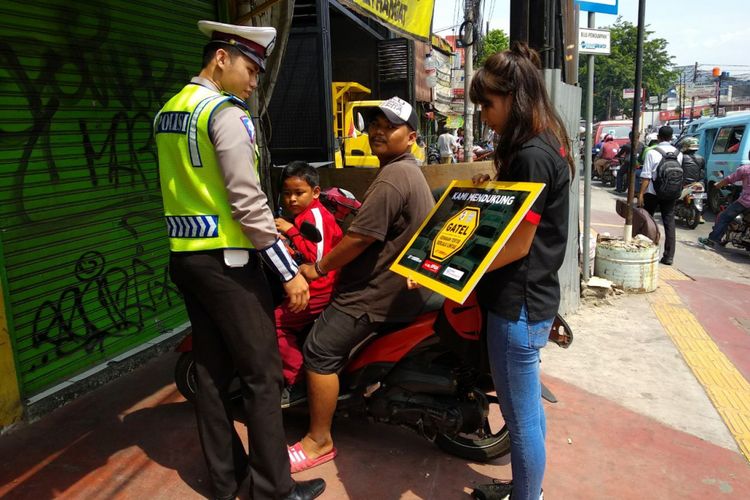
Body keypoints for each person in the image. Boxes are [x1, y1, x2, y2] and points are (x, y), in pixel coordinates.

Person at [155, 20, 324, 500]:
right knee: (263, 375)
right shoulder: (225, 113)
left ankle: (227, 483)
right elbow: (247, 204)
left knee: (211, 374)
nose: (253, 83)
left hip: (187, 260)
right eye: (250, 69)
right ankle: (274, 490)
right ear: (221, 58)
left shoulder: (170, 109)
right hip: (230, 264)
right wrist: (288, 272)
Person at [287, 97, 435, 473]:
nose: (378, 131)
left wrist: (317, 268)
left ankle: (319, 440)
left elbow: (360, 238)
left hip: (372, 294)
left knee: (319, 350)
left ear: (412, 136)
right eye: (375, 124)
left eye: (390, 126)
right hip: (395, 288)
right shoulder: (408, 172)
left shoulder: (392, 177)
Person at [467, 42, 574, 500]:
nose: (484, 115)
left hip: (518, 303)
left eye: (488, 104)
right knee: (525, 408)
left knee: (521, 416)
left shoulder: (533, 154)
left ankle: (527, 495)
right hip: (531, 299)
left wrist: (454, 268)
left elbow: (516, 244)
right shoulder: (548, 141)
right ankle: (527, 489)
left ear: (513, 97)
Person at [273, 162, 343, 406]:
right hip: (315, 287)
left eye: (298, 193)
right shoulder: (302, 215)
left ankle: (297, 379)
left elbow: (317, 261)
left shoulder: (312, 216)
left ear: (315, 192)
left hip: (319, 290)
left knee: (274, 325)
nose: (291, 199)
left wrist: (291, 232)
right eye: (287, 193)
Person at [638, 125, 683, 266]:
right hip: (671, 193)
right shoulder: (679, 153)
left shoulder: (652, 152)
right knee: (669, 223)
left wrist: (640, 194)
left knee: (648, 221)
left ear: (658, 137)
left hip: (652, 192)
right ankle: (669, 256)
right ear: (671, 138)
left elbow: (646, 176)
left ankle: (646, 251)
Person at [698, 161, 750, 247]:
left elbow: (729, 179)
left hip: (745, 201)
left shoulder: (745, 169)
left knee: (724, 217)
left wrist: (719, 184)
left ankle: (712, 240)